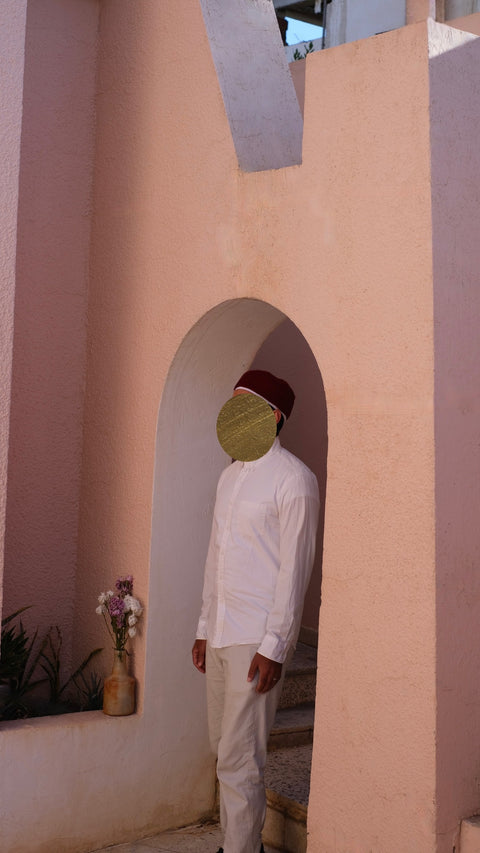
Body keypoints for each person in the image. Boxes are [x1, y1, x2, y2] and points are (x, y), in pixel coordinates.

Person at [192, 369, 319, 853]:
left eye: (243, 407)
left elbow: (295, 571)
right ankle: (243, 844)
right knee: (222, 751)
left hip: (256, 639)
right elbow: (215, 557)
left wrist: (277, 645)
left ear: (273, 416)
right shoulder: (228, 478)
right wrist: (204, 627)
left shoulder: (294, 480)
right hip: (222, 631)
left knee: (240, 756)